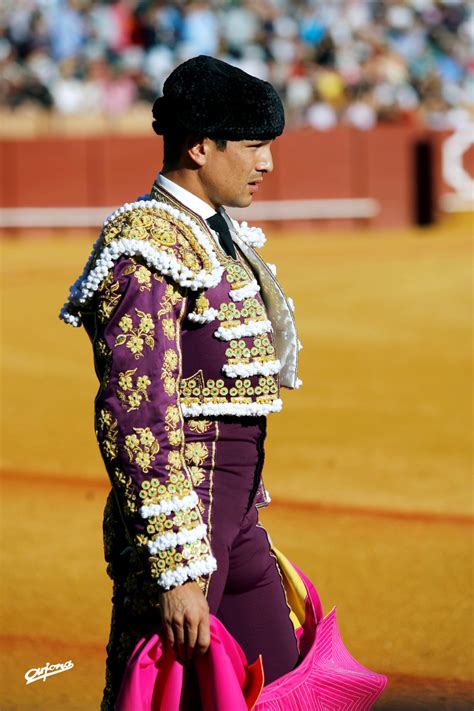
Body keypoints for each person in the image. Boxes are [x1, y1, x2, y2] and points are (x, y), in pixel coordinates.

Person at [60, 55, 303, 708]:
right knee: (159, 695)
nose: (267, 164)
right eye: (255, 146)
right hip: (185, 524)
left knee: (276, 691)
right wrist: (175, 569)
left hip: (236, 516)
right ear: (201, 146)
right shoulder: (144, 246)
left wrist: (240, 507)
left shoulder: (213, 237)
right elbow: (137, 414)